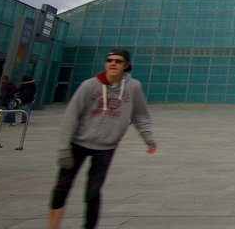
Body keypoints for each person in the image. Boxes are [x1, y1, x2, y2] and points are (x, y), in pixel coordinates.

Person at [48, 48, 156, 229]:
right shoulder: (89, 85)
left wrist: (148, 139)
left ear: (126, 65)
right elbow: (70, 117)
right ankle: (52, 226)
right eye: (110, 60)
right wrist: (63, 149)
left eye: (118, 61)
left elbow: (140, 115)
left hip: (106, 147)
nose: (113, 63)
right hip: (78, 144)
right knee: (61, 188)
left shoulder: (133, 87)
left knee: (93, 193)